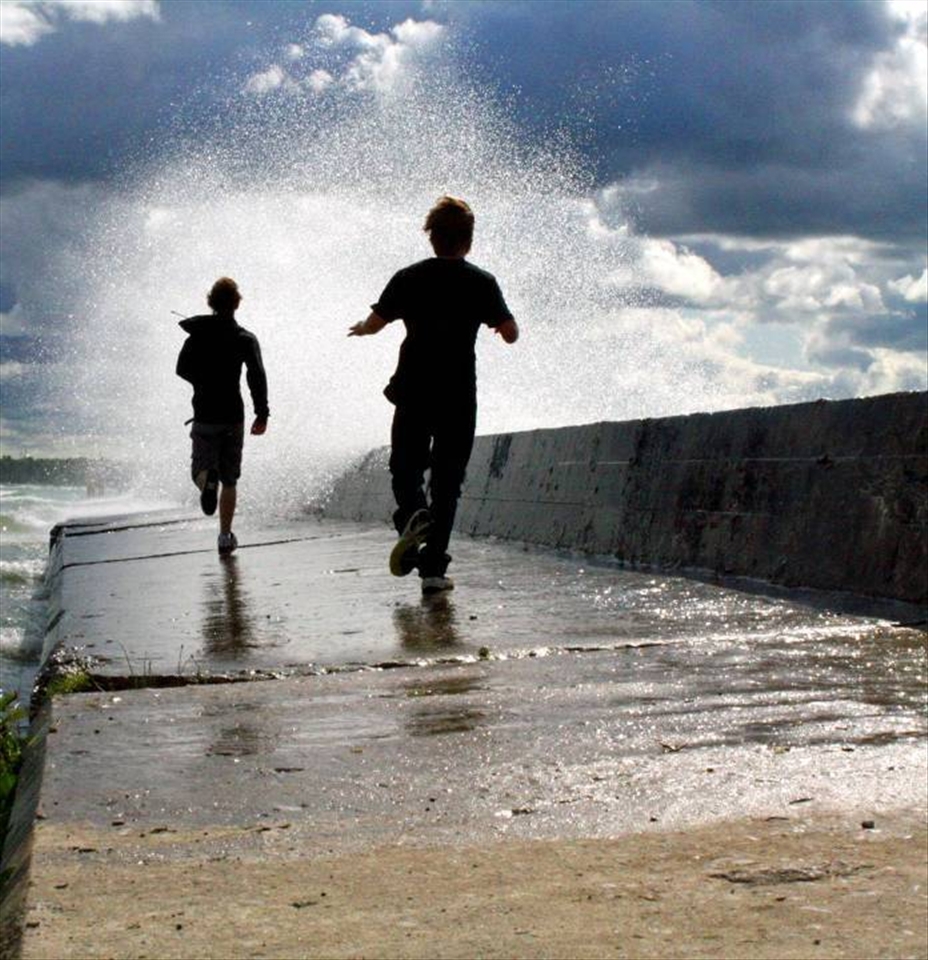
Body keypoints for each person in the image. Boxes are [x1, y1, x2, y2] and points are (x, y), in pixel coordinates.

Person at [349, 196, 519, 593]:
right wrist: (501, 328)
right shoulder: (482, 282)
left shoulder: (409, 278)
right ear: (469, 240)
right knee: (447, 482)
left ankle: (412, 514)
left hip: (413, 389)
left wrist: (361, 327)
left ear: (432, 237)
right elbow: (510, 333)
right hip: (458, 395)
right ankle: (433, 572)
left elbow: (375, 325)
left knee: (405, 467)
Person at [176, 277, 269, 556]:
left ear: (211, 303)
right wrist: (262, 413)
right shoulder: (245, 339)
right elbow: (257, 377)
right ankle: (225, 536)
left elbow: (181, 369)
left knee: (199, 471)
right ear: (237, 303)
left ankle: (207, 482)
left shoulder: (196, 337)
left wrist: (202, 381)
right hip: (233, 416)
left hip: (204, 414)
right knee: (231, 480)